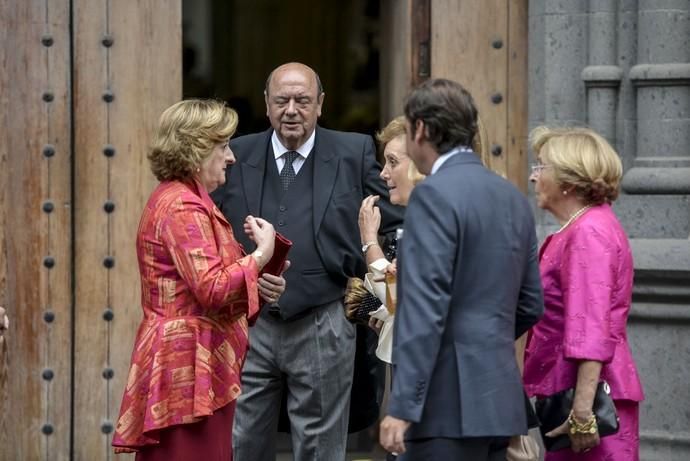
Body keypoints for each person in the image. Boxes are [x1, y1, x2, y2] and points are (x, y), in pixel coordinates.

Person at [211, 62, 404, 461]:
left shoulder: (354, 152)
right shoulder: (236, 154)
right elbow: (207, 224)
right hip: (249, 322)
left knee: (320, 445)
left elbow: (396, 214)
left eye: (302, 100)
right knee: (242, 439)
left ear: (320, 104)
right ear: (267, 104)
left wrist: (364, 267)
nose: (291, 110)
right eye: (282, 100)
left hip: (325, 318)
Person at [378, 78, 544, 460]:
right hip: (498, 401)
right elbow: (532, 302)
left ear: (420, 130)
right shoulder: (512, 197)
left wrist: (403, 404)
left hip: (442, 405)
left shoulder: (433, 195)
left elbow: (424, 307)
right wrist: (482, 339)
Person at [112, 99, 284, 460]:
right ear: (196, 149)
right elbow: (213, 289)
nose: (231, 157)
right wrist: (259, 256)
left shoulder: (189, 198)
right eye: (222, 146)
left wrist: (260, 281)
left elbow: (216, 284)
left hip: (196, 359)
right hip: (187, 367)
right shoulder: (181, 205)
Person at [523, 126, 644, 459]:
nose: (534, 178)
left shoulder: (589, 231)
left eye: (541, 167)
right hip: (573, 394)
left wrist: (582, 414)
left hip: (592, 403)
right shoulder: (581, 227)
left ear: (569, 182)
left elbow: (590, 328)